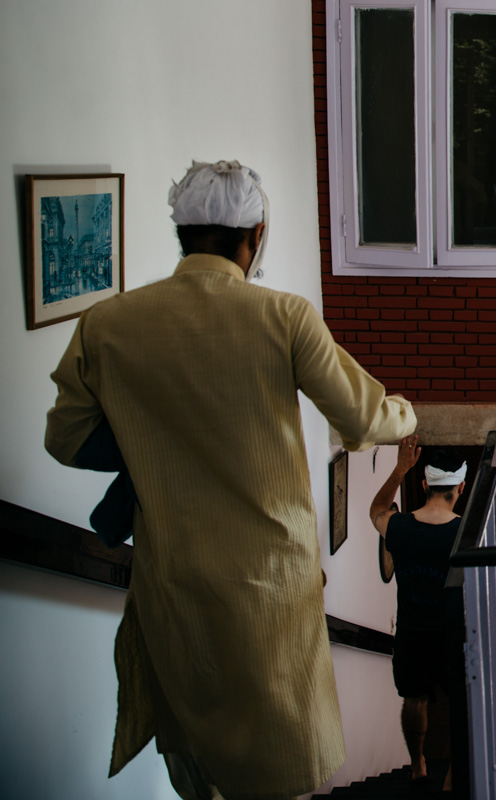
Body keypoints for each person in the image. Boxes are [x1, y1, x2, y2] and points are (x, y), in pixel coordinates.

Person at [45, 160, 417, 800]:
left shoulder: (107, 324)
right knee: (281, 763)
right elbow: (359, 415)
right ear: (257, 234)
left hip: (175, 586)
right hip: (270, 588)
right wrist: (407, 413)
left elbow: (67, 438)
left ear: (183, 235)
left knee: (198, 763)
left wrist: (149, 442)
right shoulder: (285, 317)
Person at [369, 437, 468, 788]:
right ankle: (455, 776)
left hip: (411, 631)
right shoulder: (466, 537)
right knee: (462, 707)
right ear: (461, 487)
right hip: (455, 634)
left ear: (424, 484)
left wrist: (400, 469)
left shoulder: (399, 527)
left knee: (414, 698)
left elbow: (377, 509)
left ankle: (417, 765)